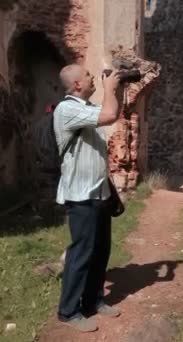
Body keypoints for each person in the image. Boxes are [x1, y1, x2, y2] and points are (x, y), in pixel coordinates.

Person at [53, 64, 122, 332]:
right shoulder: (66, 109)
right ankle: (68, 311)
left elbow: (113, 113)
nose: (94, 76)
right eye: (89, 75)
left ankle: (93, 300)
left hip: (99, 193)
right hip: (80, 196)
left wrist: (116, 90)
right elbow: (109, 114)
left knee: (101, 250)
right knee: (81, 253)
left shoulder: (88, 108)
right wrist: (109, 89)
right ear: (77, 84)